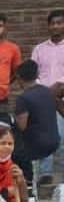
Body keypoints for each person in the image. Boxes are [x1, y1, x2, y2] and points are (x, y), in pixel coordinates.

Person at [14, 61, 63, 183]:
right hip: (54, 141)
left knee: (12, 146)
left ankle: (30, 182)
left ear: (19, 77)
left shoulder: (23, 99)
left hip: (35, 146)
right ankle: (45, 175)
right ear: (37, 74)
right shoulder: (48, 92)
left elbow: (22, 126)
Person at [33, 10, 64, 184]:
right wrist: (45, 90)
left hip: (62, 99)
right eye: (52, 23)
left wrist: (59, 86)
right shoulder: (40, 48)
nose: (55, 26)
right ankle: (46, 173)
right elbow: (33, 72)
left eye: (59, 23)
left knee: (61, 136)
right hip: (43, 98)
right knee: (45, 135)